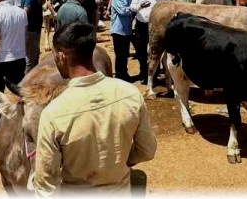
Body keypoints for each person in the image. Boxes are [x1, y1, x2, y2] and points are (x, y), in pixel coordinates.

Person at [30, 22, 157, 195]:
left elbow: (45, 185)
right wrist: (122, 160)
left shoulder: (53, 113)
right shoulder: (130, 94)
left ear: (61, 57)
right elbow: (147, 150)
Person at [129, 0, 168, 80]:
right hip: (142, 25)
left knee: (156, 51)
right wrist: (140, 6)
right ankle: (144, 73)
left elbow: (168, 7)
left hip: (158, 27)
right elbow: (132, 6)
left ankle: (154, 75)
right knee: (141, 51)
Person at [110, 0, 137, 82]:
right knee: (120, 54)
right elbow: (123, 11)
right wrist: (135, 8)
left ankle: (124, 74)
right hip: (118, 30)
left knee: (125, 54)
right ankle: (119, 75)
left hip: (127, 30)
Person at [20, 0, 43, 72]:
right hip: (31, 31)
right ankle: (26, 84)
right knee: (30, 59)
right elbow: (25, 12)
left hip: (32, 30)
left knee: (34, 57)